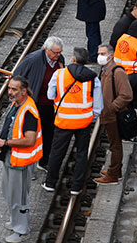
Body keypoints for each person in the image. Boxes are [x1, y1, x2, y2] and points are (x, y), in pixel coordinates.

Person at [0, 75, 43, 242]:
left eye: (14, 89)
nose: (10, 92)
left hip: (20, 161)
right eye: (9, 88)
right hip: (11, 158)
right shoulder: (17, 104)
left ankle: (21, 230)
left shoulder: (29, 111)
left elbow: (29, 139)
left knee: (19, 197)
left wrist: (5, 142)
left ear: (23, 91)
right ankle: (15, 221)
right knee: (9, 193)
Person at [42, 47, 102, 195]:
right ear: (86, 61)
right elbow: (98, 106)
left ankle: (50, 183)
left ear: (73, 59)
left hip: (63, 121)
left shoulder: (59, 74)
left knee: (57, 152)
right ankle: (76, 187)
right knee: (81, 154)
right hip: (83, 122)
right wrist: (91, 118)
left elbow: (50, 95)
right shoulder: (93, 78)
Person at [12, 36, 65, 170]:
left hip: (53, 105)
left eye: (59, 52)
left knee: (49, 133)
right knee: (32, 134)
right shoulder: (33, 59)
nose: (58, 55)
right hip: (36, 104)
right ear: (46, 50)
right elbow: (17, 76)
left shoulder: (60, 59)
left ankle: (44, 161)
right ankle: (29, 162)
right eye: (55, 52)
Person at [94, 44, 133, 185]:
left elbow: (127, 95)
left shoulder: (117, 72)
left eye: (103, 53)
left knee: (115, 146)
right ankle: (115, 170)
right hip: (108, 115)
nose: (100, 56)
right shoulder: (105, 70)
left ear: (111, 55)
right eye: (99, 53)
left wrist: (111, 108)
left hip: (113, 116)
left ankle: (113, 175)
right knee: (113, 143)